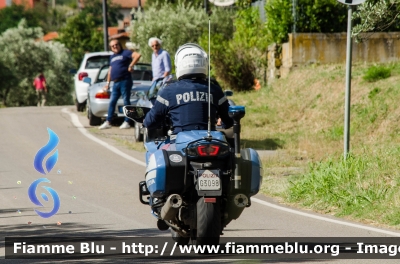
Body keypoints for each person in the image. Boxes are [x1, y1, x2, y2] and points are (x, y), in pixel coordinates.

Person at [143, 43, 233, 146]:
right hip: (210, 143)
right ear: (204, 63)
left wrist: (145, 120)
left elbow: (151, 120)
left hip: (180, 144)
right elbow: (228, 121)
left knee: (153, 152)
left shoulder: (169, 90)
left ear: (179, 64)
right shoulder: (214, 89)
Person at [99, 39, 141, 130]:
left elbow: (137, 55)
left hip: (125, 80)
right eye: (113, 46)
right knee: (112, 102)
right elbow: (110, 71)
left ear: (120, 45)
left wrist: (131, 65)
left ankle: (127, 121)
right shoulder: (112, 57)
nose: (115, 46)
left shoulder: (126, 52)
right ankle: (108, 121)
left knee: (126, 101)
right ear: (111, 48)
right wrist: (107, 83)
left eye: (116, 44)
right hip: (115, 82)